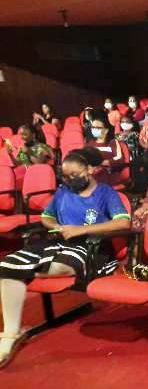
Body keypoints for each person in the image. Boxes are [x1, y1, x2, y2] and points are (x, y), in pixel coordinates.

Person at [0, 147, 131, 367]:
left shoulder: (106, 193)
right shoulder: (63, 191)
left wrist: (80, 230)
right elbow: (46, 217)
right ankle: (10, 332)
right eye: (66, 176)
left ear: (90, 170)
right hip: (59, 241)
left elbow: (123, 222)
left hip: (91, 247)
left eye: (76, 175)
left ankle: (24, 271)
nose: (71, 180)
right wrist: (57, 226)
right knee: (6, 265)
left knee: (59, 267)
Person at [87, 114, 126, 186]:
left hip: (107, 173)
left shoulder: (113, 142)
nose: (94, 129)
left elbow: (119, 159)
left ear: (106, 130)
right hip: (91, 172)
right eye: (92, 127)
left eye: (97, 128)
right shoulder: (90, 143)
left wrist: (101, 163)